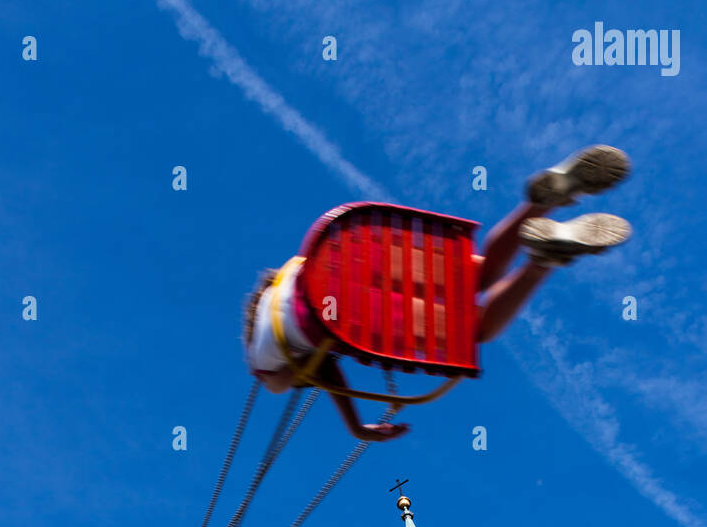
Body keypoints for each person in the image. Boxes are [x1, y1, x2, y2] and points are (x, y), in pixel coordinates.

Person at [244, 145, 631, 442]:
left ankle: (543, 259)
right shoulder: (281, 281)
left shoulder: (263, 369)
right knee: (473, 274)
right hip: (350, 252)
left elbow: (317, 370)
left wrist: (355, 425)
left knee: (473, 328)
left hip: (341, 311)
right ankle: (542, 202)